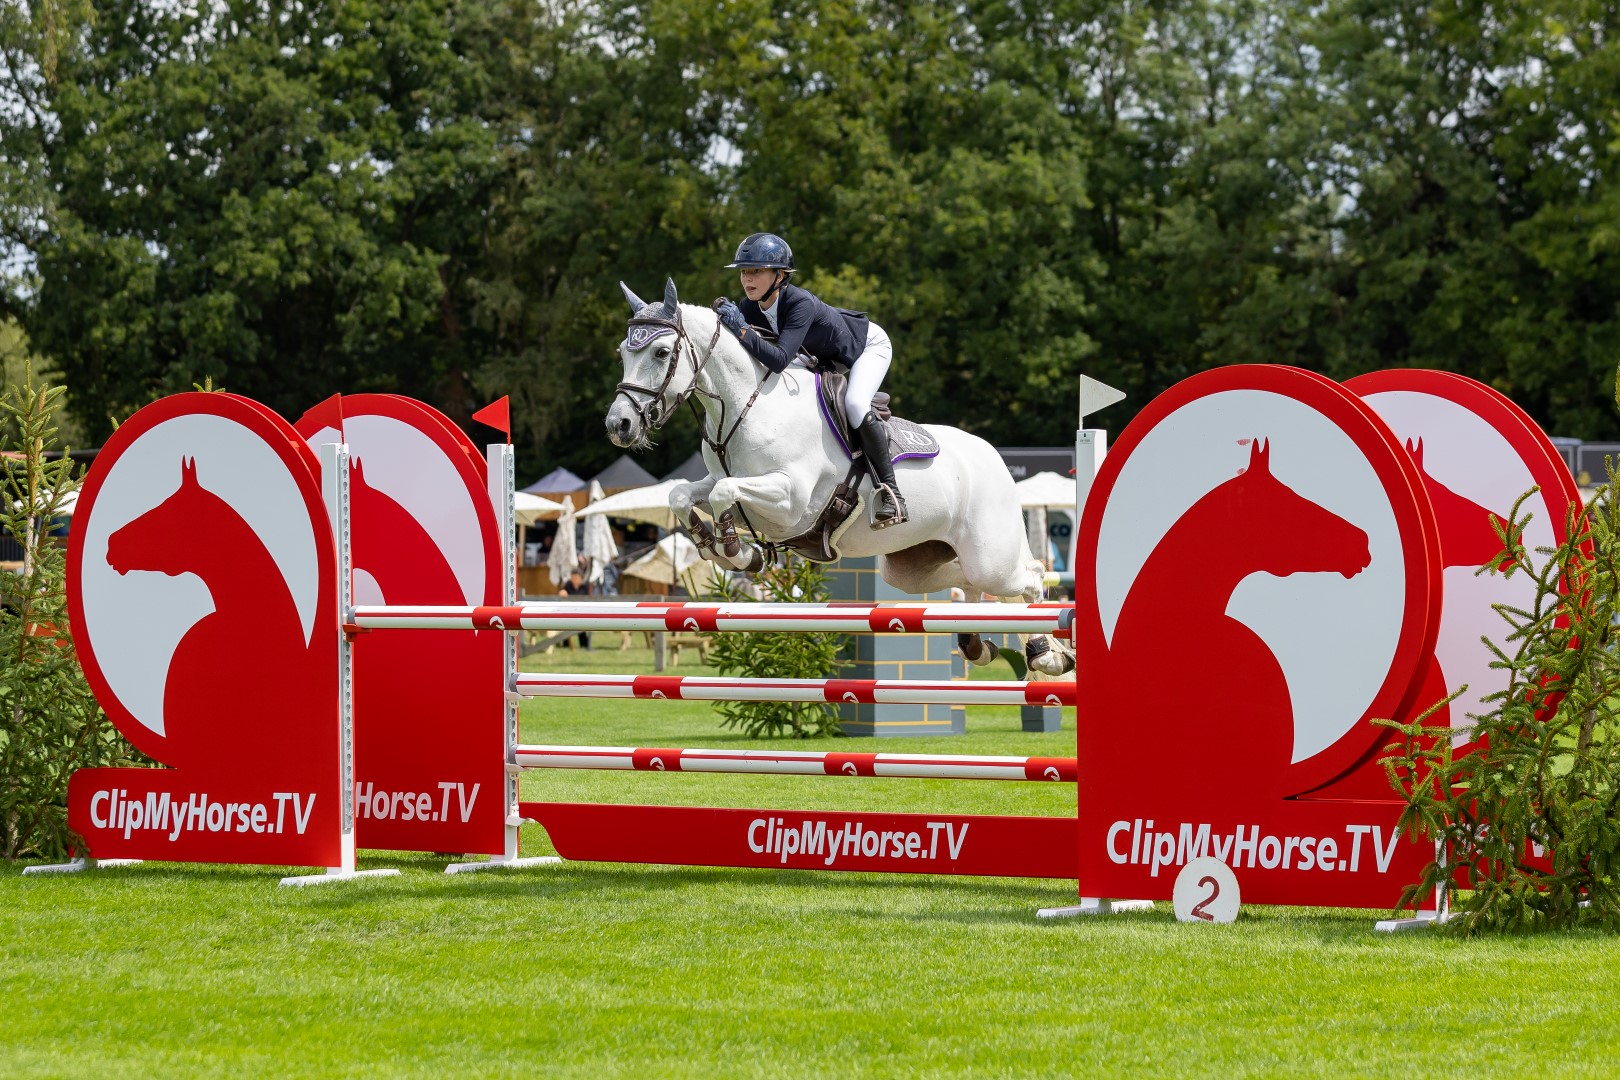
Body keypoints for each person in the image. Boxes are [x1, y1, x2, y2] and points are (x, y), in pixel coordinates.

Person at [713, 232, 907, 526]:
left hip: (866, 346)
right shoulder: (749, 306)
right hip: (816, 356)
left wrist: (741, 331)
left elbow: (777, 360)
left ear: (779, 276)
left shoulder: (799, 302)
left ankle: (891, 492)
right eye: (743, 271)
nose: (747, 279)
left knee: (855, 404)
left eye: (756, 271)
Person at [558, 567, 591, 649]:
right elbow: (562, 593)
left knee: (581, 627)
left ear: (581, 578)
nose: (574, 579)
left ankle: (584, 645)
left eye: (576, 578)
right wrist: (562, 593)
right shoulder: (568, 585)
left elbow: (587, 599)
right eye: (573, 578)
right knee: (567, 626)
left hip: (582, 611)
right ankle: (565, 644)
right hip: (569, 611)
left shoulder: (584, 586)